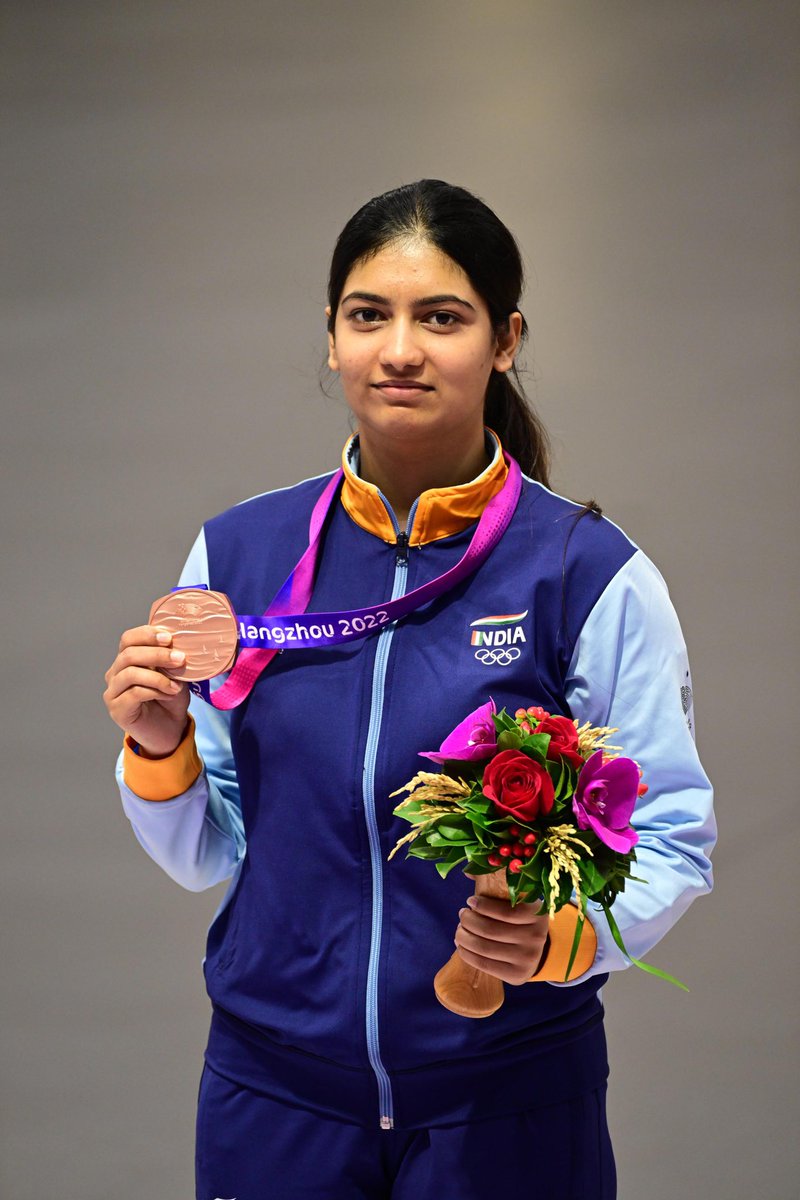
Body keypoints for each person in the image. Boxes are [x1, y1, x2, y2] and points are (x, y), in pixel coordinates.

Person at [103, 180, 715, 1200]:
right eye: (366, 316)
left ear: (504, 339)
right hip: (272, 1096)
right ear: (332, 337)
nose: (398, 350)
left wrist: (557, 941)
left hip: (506, 1100)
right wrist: (159, 745)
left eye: (441, 317)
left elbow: (671, 837)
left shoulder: (583, 572)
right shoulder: (236, 555)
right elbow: (206, 853)